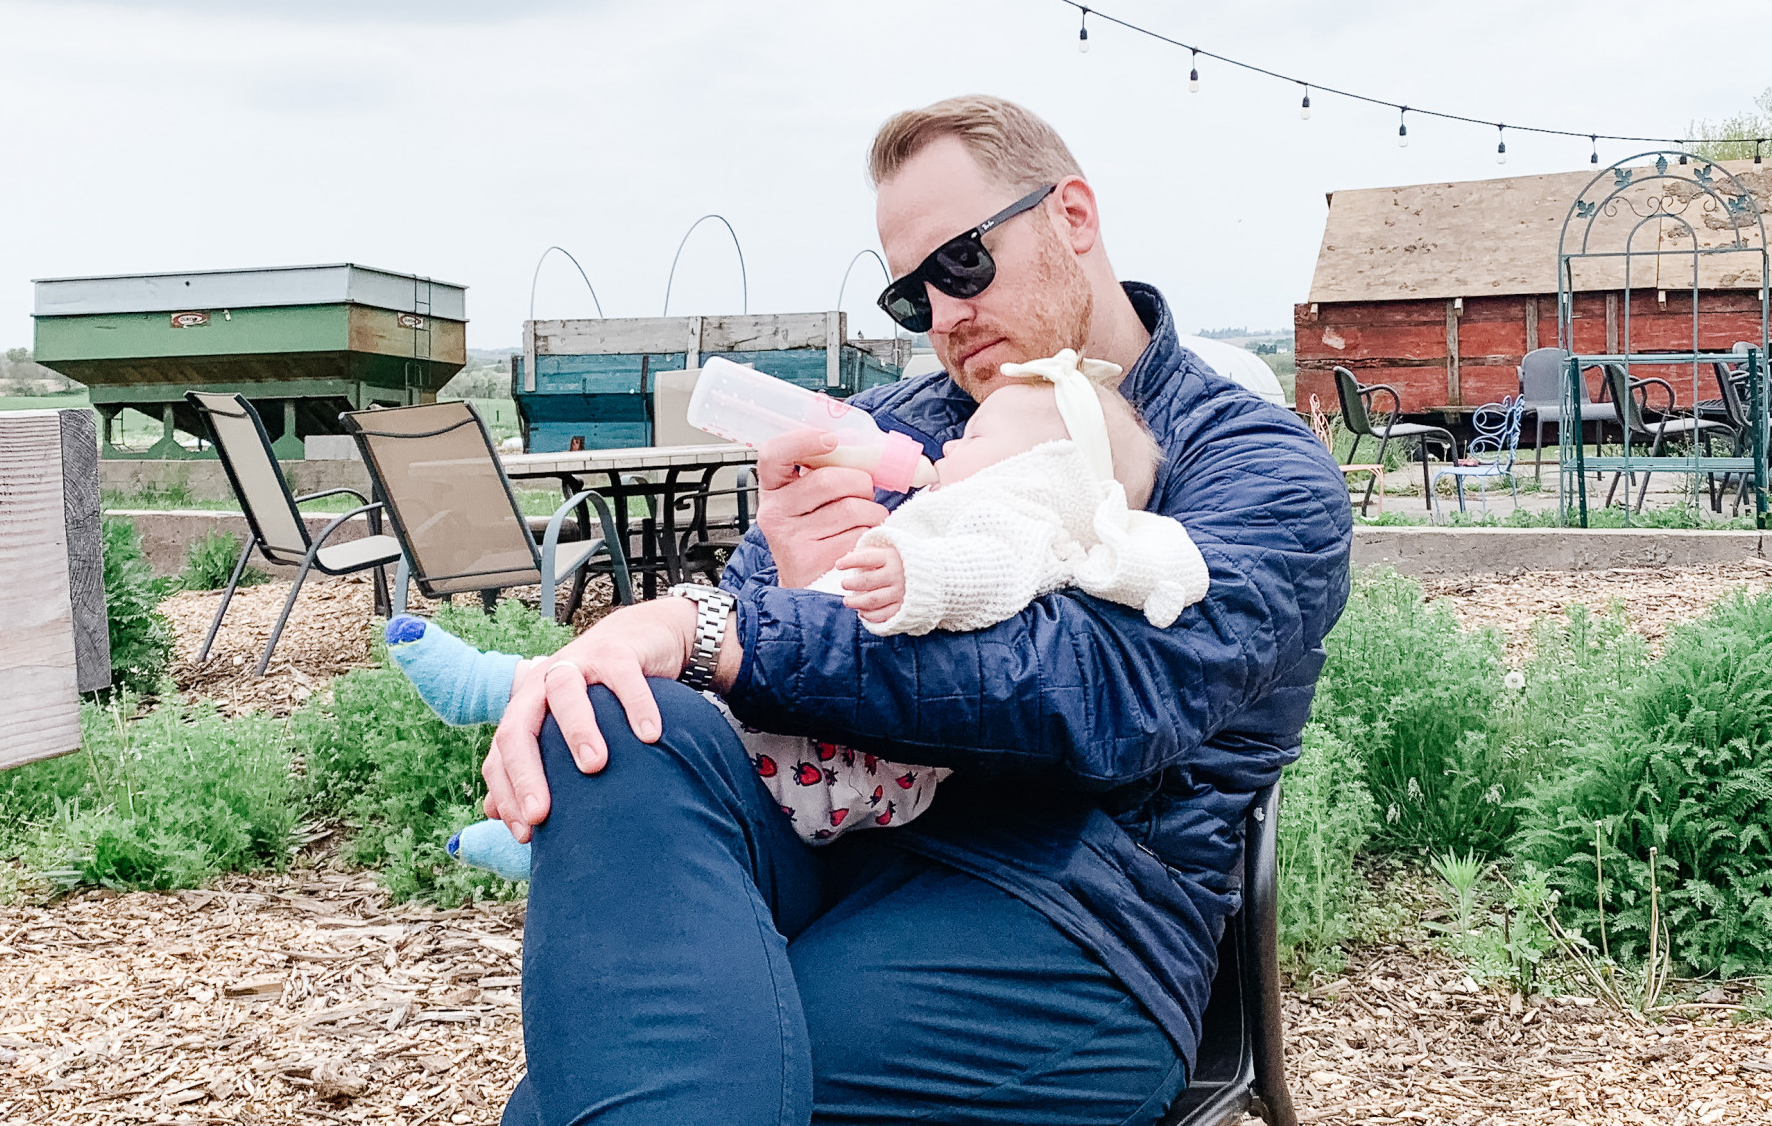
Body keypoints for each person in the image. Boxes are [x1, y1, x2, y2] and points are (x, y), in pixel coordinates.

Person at [482, 95, 1351, 1126]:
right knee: (621, 722)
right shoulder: (889, 427)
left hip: (1067, 905)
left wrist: (718, 625)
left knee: (576, 1103)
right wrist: (776, 590)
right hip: (834, 844)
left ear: (1072, 216)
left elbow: (1094, 692)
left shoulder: (1254, 466)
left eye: (962, 266)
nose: (942, 317)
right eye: (909, 298)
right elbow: (757, 645)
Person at [386, 349, 1209, 872]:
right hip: (830, 734)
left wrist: (912, 575)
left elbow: (985, 577)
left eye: (979, 442)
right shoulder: (959, 505)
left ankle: (519, 726)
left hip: (836, 768)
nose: (952, 446)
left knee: (670, 728)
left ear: (1045, 474)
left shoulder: (1015, 525)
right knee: (660, 713)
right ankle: (530, 742)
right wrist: (806, 569)